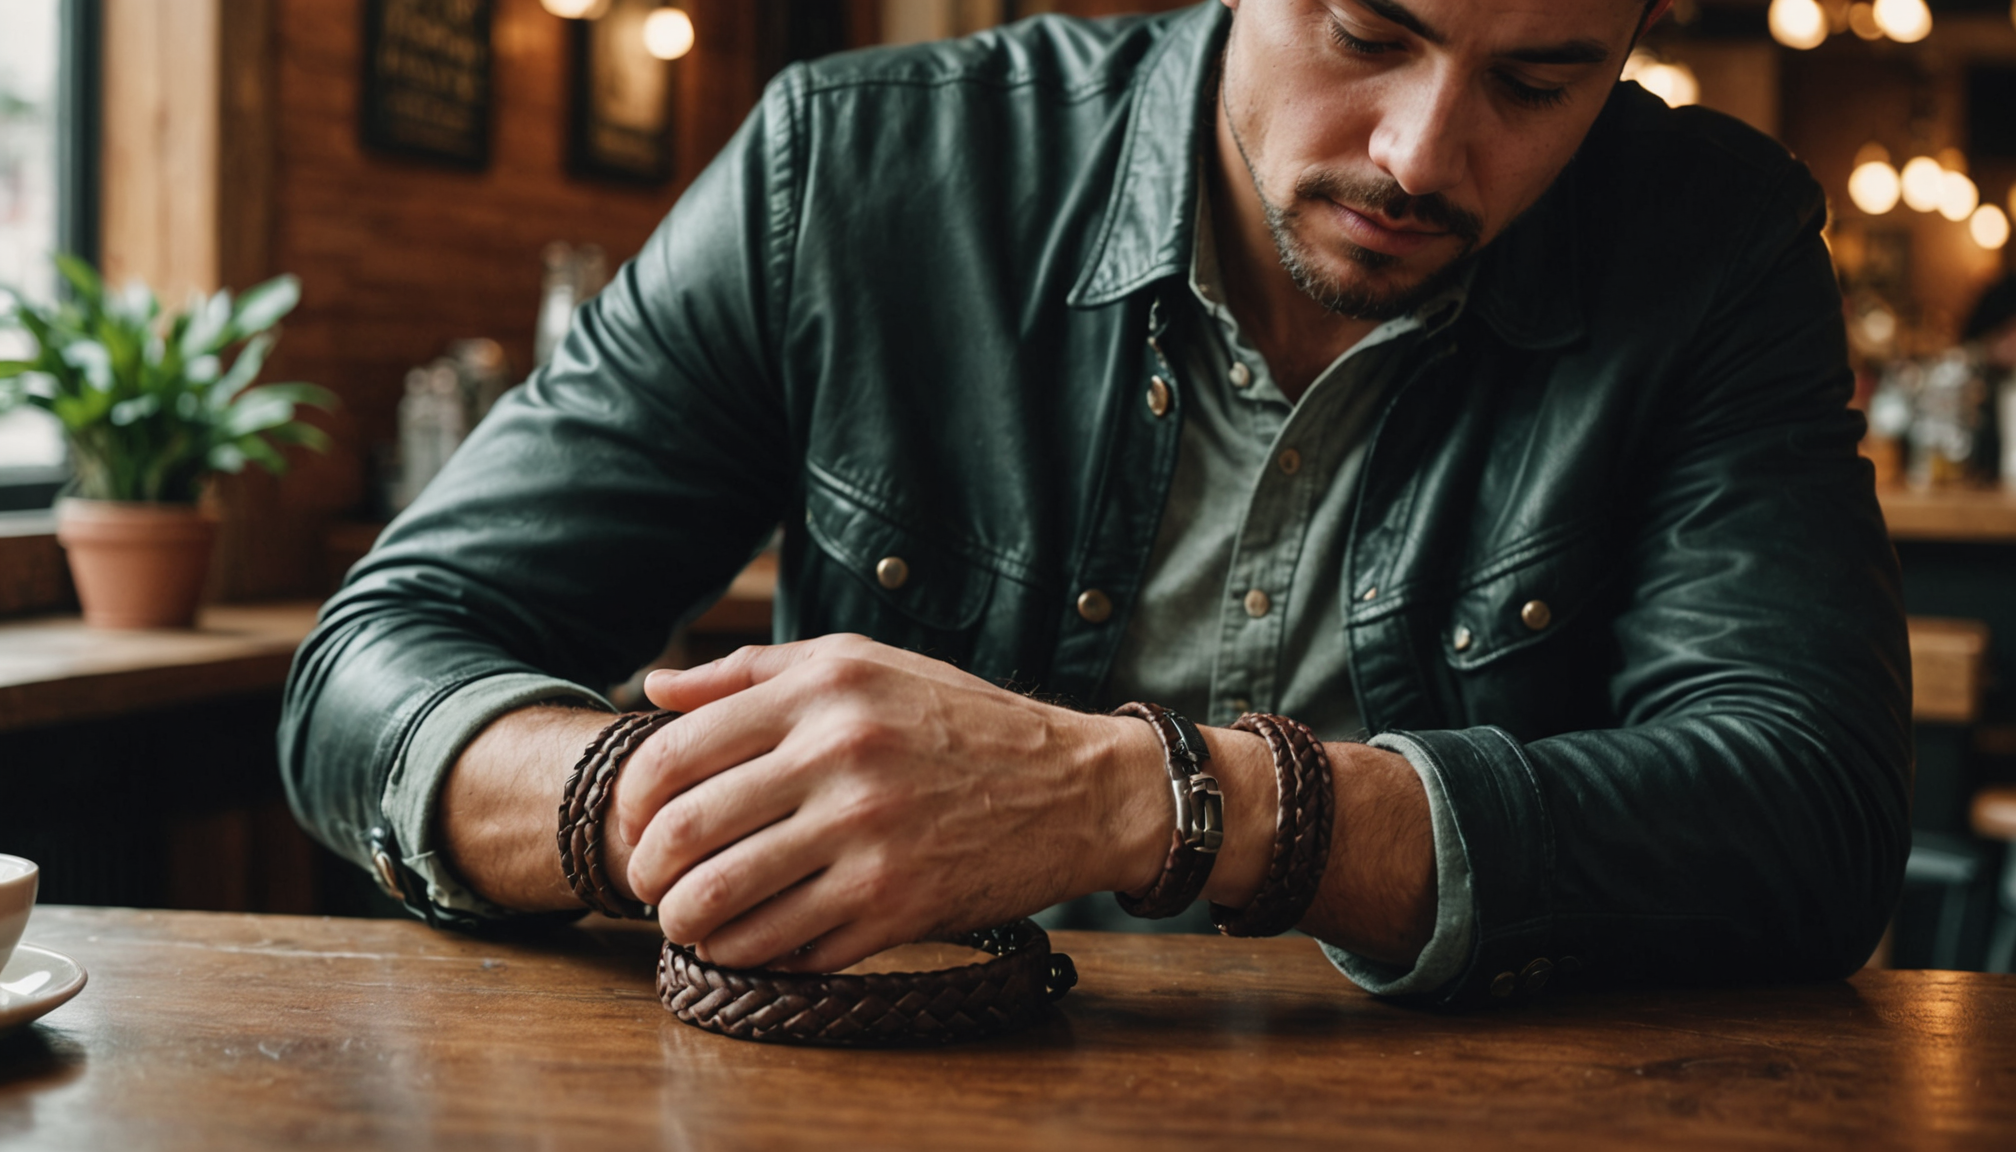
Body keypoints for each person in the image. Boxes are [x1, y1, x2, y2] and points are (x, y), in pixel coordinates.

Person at [281, 0, 1911, 1008]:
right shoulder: (852, 172)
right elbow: (375, 664)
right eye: (1366, 31)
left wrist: (1144, 800)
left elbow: (1806, 823)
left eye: (1542, 80)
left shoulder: (1715, 245)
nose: (1423, 153)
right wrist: (703, 811)